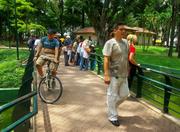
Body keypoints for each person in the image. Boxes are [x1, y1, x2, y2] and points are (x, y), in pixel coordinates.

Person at [102, 23, 130, 127]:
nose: (123, 31)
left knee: (125, 94)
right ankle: (112, 116)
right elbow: (106, 59)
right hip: (113, 74)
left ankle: (111, 106)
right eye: (121, 29)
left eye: (124, 29)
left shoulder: (126, 43)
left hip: (124, 74)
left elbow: (126, 58)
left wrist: (128, 70)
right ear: (115, 30)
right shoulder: (110, 43)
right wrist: (106, 74)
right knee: (112, 95)